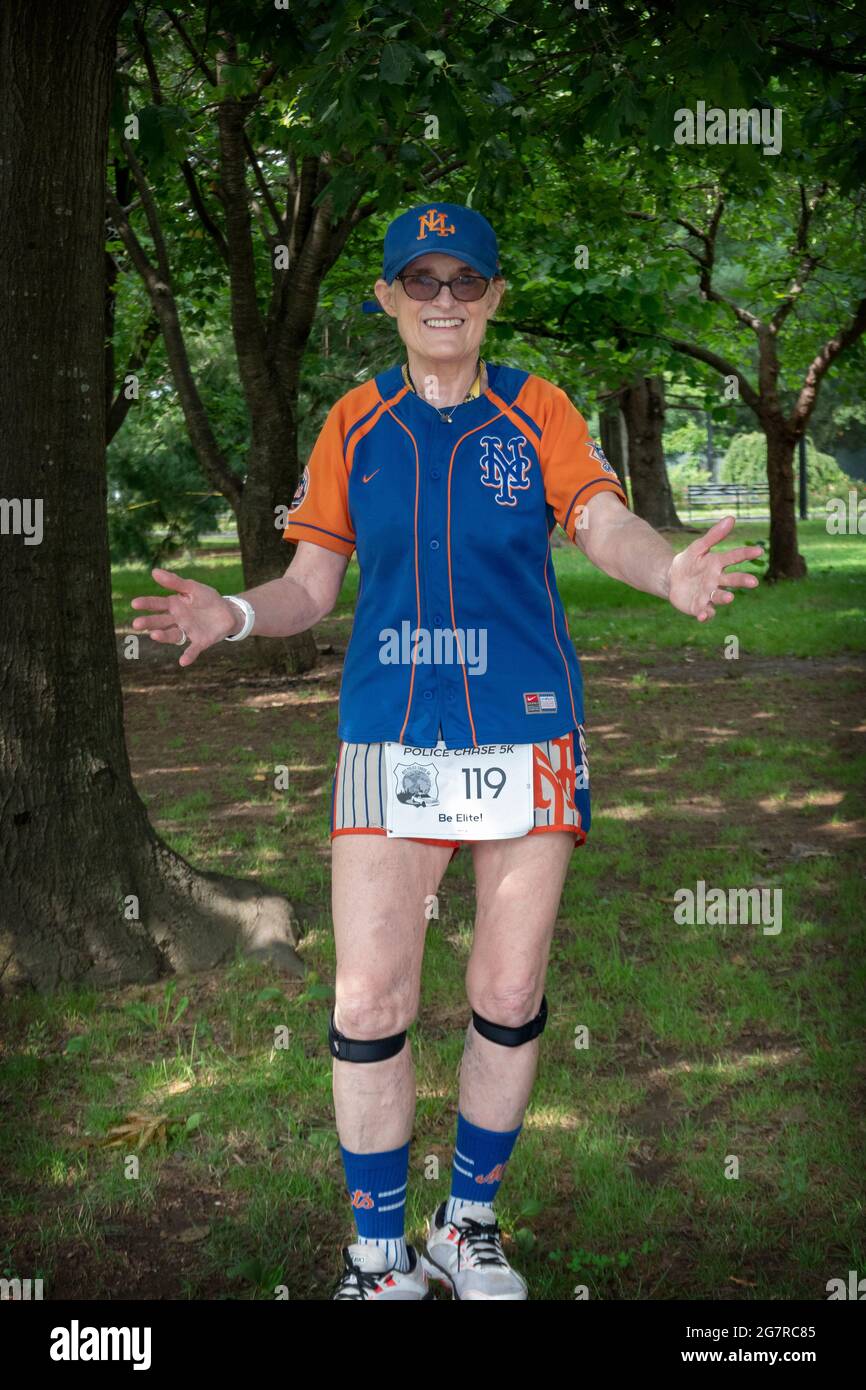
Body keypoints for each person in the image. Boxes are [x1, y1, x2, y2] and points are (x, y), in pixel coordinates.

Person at [131, 201, 762, 1301]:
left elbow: (602, 519)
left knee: (508, 986)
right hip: (389, 734)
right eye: (418, 282)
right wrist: (230, 614)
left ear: (491, 299)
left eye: (462, 282)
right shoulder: (353, 423)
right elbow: (308, 586)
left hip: (525, 733)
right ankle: (377, 1255)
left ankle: (464, 1225)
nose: (441, 300)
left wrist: (666, 572)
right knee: (369, 998)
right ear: (386, 298)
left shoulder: (539, 411)